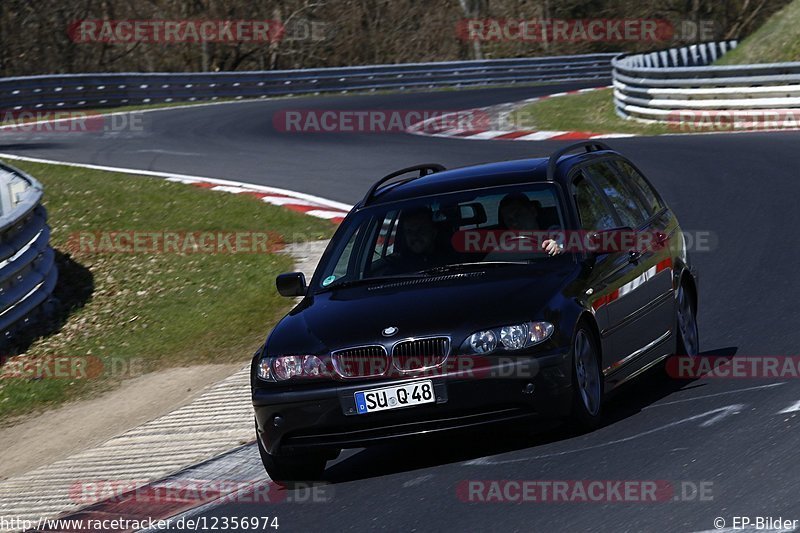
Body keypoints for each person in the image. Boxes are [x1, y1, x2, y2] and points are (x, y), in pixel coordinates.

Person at [498, 192, 564, 256]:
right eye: (509, 220)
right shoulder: (505, 249)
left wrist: (558, 248)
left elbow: (563, 243)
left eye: (518, 215)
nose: (514, 223)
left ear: (533, 212)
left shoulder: (554, 233)